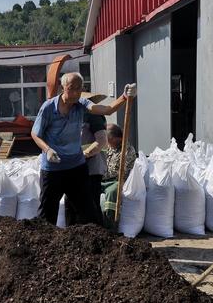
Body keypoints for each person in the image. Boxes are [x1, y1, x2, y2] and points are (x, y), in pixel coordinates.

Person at [31, 72, 136, 226]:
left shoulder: (82, 104)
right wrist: (48, 150)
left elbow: (107, 110)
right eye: (71, 88)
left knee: (88, 212)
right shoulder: (48, 108)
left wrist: (125, 97)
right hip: (52, 169)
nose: (75, 93)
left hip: (76, 168)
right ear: (62, 88)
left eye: (79, 89)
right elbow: (35, 134)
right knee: (47, 213)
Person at [66, 94, 108, 225]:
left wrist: (84, 154)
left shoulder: (93, 116)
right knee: (72, 203)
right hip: (75, 166)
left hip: (91, 167)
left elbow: (101, 141)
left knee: (91, 202)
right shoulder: (74, 117)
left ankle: (97, 232)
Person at [101, 123, 138, 228]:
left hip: (117, 181)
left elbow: (122, 173)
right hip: (103, 179)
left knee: (113, 191)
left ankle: (110, 224)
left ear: (115, 138)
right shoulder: (109, 147)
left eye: (108, 139)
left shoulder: (128, 150)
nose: (107, 142)